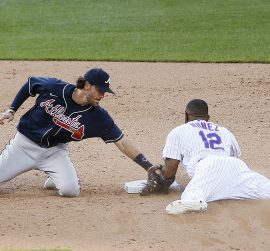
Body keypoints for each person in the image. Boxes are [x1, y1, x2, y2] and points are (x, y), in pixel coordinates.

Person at [0, 68, 155, 197]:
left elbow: (121, 141)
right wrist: (12, 110)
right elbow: (31, 83)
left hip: (54, 152)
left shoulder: (98, 116)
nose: (102, 96)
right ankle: (54, 173)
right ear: (87, 85)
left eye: (104, 92)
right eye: (100, 90)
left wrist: (148, 167)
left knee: (71, 191)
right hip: (23, 146)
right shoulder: (55, 87)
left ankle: (55, 175)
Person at [141, 99, 270, 214]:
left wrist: (160, 180)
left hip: (207, 165)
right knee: (265, 189)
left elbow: (170, 172)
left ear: (186, 115)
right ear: (208, 117)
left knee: (191, 197)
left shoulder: (179, 131)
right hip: (236, 166)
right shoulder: (225, 131)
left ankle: (196, 202)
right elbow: (235, 157)